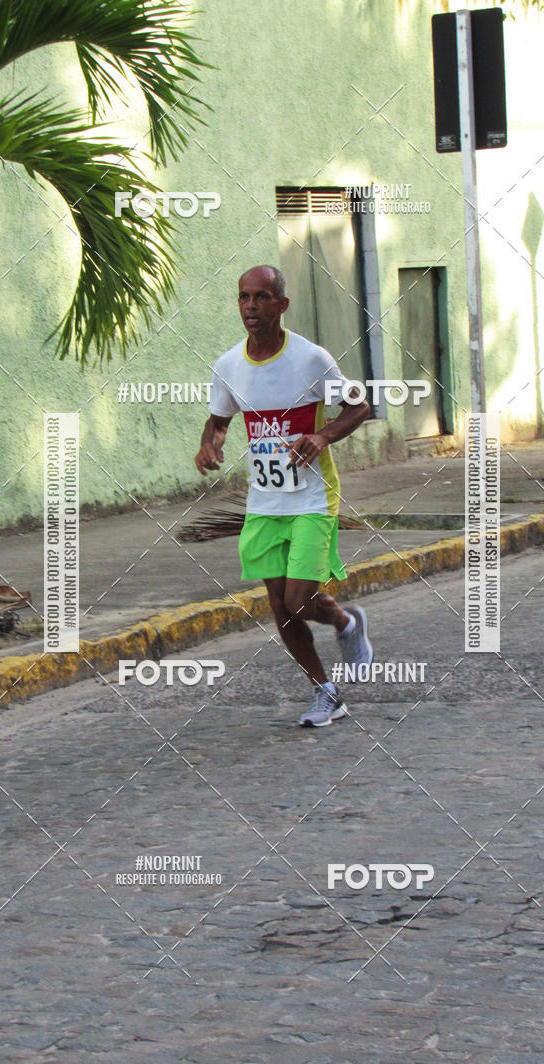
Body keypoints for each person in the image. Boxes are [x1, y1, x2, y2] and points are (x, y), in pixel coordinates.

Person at [194, 265, 373, 727]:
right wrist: (209, 442)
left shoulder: (311, 359)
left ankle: (345, 622)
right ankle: (326, 691)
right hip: (265, 502)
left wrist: (322, 436)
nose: (250, 306)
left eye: (260, 297)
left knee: (297, 601)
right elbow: (220, 418)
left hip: (313, 498)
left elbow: (359, 406)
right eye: (243, 298)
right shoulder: (229, 364)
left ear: (281, 305)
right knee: (281, 608)